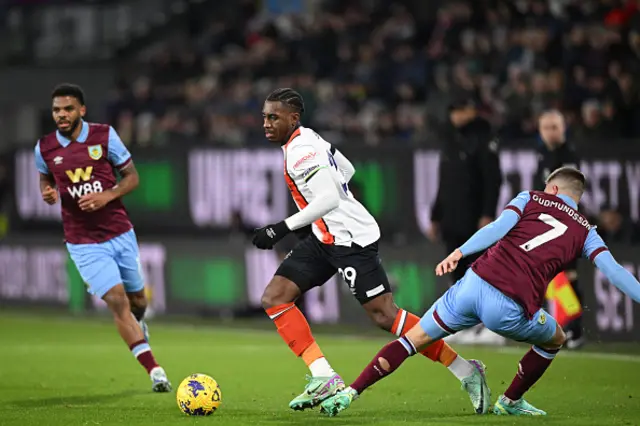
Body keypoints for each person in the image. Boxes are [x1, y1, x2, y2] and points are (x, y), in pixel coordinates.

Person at [320, 167, 640, 417]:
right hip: (508, 307)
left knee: (411, 341)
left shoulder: (529, 197)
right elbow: (614, 273)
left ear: (553, 189)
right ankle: (511, 399)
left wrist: (459, 252)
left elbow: (497, 228)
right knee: (555, 337)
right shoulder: (585, 231)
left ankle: (352, 391)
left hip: (472, 284)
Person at [253, 88, 488, 412]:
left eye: (273, 117)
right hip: (326, 236)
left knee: (384, 315)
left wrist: (281, 227)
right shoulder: (308, 138)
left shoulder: (301, 150)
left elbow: (329, 199)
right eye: (264, 116)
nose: (266, 123)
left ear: (294, 118)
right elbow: (346, 170)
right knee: (276, 297)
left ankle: (465, 369)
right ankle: (323, 376)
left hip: (351, 239)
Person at [34, 83, 171, 392]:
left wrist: (106, 196)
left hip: (120, 232)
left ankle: (140, 324)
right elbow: (45, 176)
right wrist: (47, 190)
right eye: (56, 110)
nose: (61, 115)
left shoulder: (104, 136)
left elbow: (133, 177)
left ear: (82, 110)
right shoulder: (44, 147)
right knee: (117, 301)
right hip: (82, 241)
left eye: (68, 109)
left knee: (138, 300)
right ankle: (155, 371)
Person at [429, 98, 503, 345]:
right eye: (453, 110)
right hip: (452, 216)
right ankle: (462, 323)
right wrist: (436, 215)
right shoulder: (450, 138)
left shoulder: (483, 137)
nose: (456, 116)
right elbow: (444, 181)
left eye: (460, 109)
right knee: (456, 272)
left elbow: (493, 180)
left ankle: (490, 325)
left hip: (474, 217)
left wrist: (488, 214)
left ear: (472, 110)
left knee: (479, 271)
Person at [536, 110, 584, 349]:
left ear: (563, 128)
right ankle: (562, 328)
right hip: (548, 225)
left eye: (554, 127)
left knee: (569, 277)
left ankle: (576, 329)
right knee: (554, 278)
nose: (550, 132)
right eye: (546, 128)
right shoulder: (544, 155)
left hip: (567, 225)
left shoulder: (568, 156)